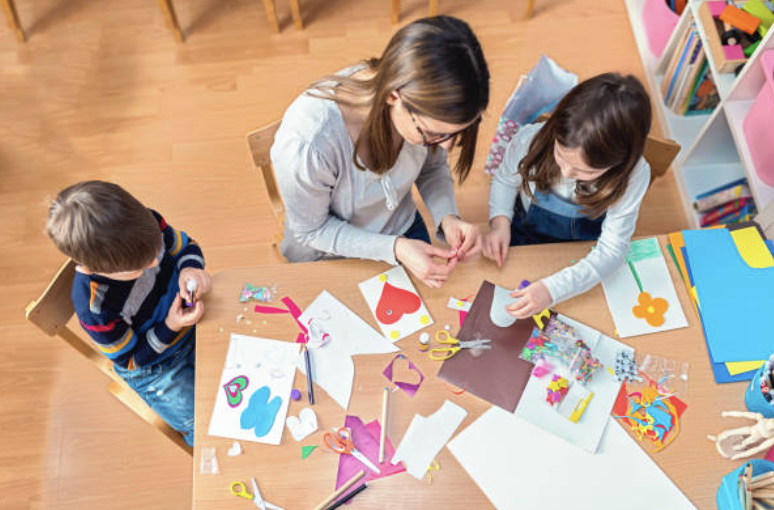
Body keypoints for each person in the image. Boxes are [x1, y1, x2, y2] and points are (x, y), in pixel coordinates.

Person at [271, 15, 490, 288]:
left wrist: (448, 216)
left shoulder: (420, 107)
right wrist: (395, 248)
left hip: (401, 230)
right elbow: (312, 230)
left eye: (455, 133)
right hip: (329, 251)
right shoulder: (309, 142)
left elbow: (432, 167)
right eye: (432, 134)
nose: (446, 146)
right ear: (393, 96)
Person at [46, 180, 210, 446]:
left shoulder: (146, 226)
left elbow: (185, 247)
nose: (155, 262)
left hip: (191, 323)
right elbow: (133, 359)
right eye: (141, 265)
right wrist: (171, 324)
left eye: (155, 250)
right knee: (205, 425)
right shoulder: (95, 307)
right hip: (155, 367)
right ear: (93, 269)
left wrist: (192, 269)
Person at [482, 73, 653, 318]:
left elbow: (612, 251)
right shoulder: (530, 139)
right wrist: (499, 222)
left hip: (582, 252)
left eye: (586, 171)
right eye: (560, 154)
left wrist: (552, 290)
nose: (566, 172)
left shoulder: (635, 175)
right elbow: (504, 180)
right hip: (522, 234)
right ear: (555, 130)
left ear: (621, 163)